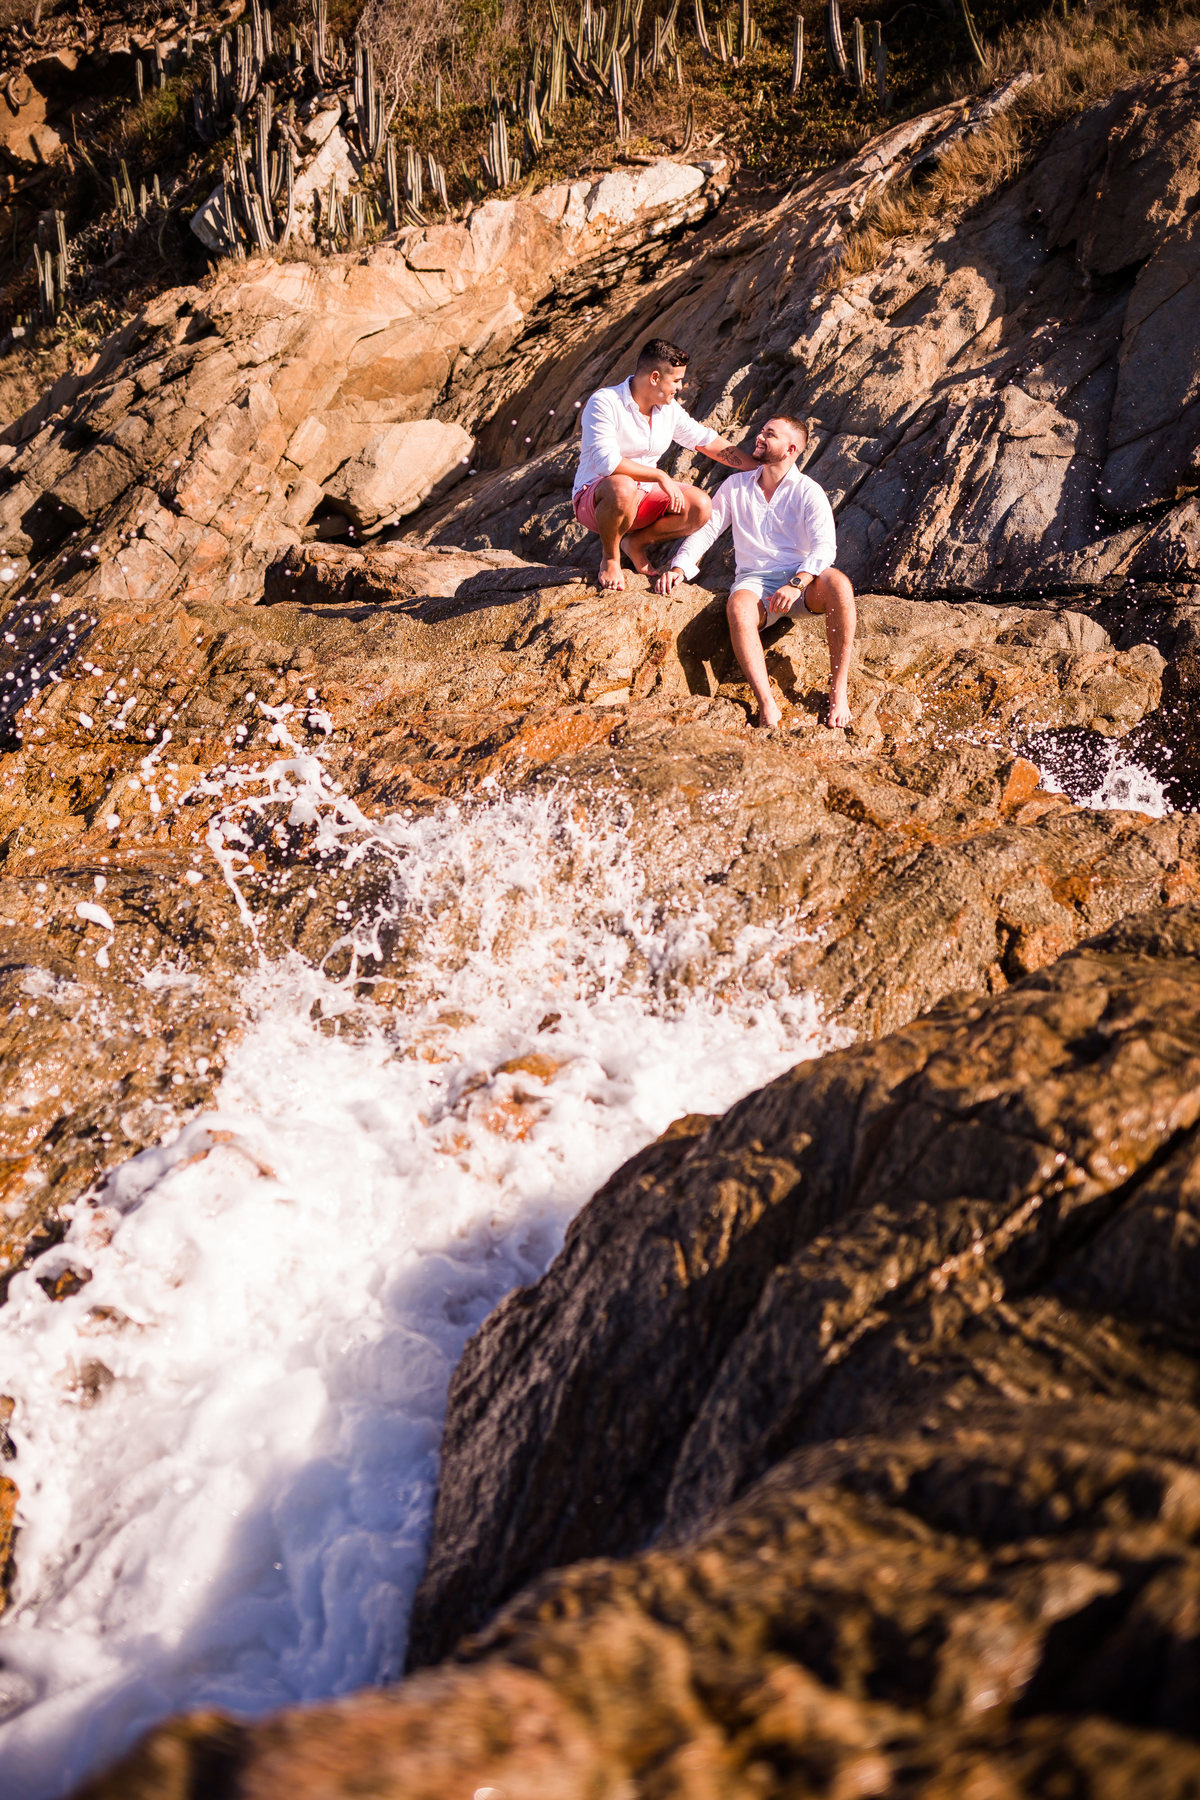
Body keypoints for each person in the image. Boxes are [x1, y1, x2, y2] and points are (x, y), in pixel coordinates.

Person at [655, 415, 856, 730]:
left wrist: (796, 583)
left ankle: (838, 690)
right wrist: (681, 565)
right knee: (737, 607)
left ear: (790, 449)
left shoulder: (808, 491)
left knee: (840, 585)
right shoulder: (736, 485)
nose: (759, 438)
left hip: (802, 584)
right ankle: (767, 703)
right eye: (762, 431)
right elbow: (708, 529)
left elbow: (824, 549)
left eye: (769, 434)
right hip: (755, 584)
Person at [573, 338, 758, 591]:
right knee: (623, 487)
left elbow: (705, 440)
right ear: (654, 377)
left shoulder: (667, 410)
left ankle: (635, 543)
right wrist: (660, 476)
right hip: (597, 500)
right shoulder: (605, 402)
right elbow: (607, 463)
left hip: (643, 498)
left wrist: (756, 467)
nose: (680, 387)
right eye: (676, 380)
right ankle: (611, 557)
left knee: (700, 507)